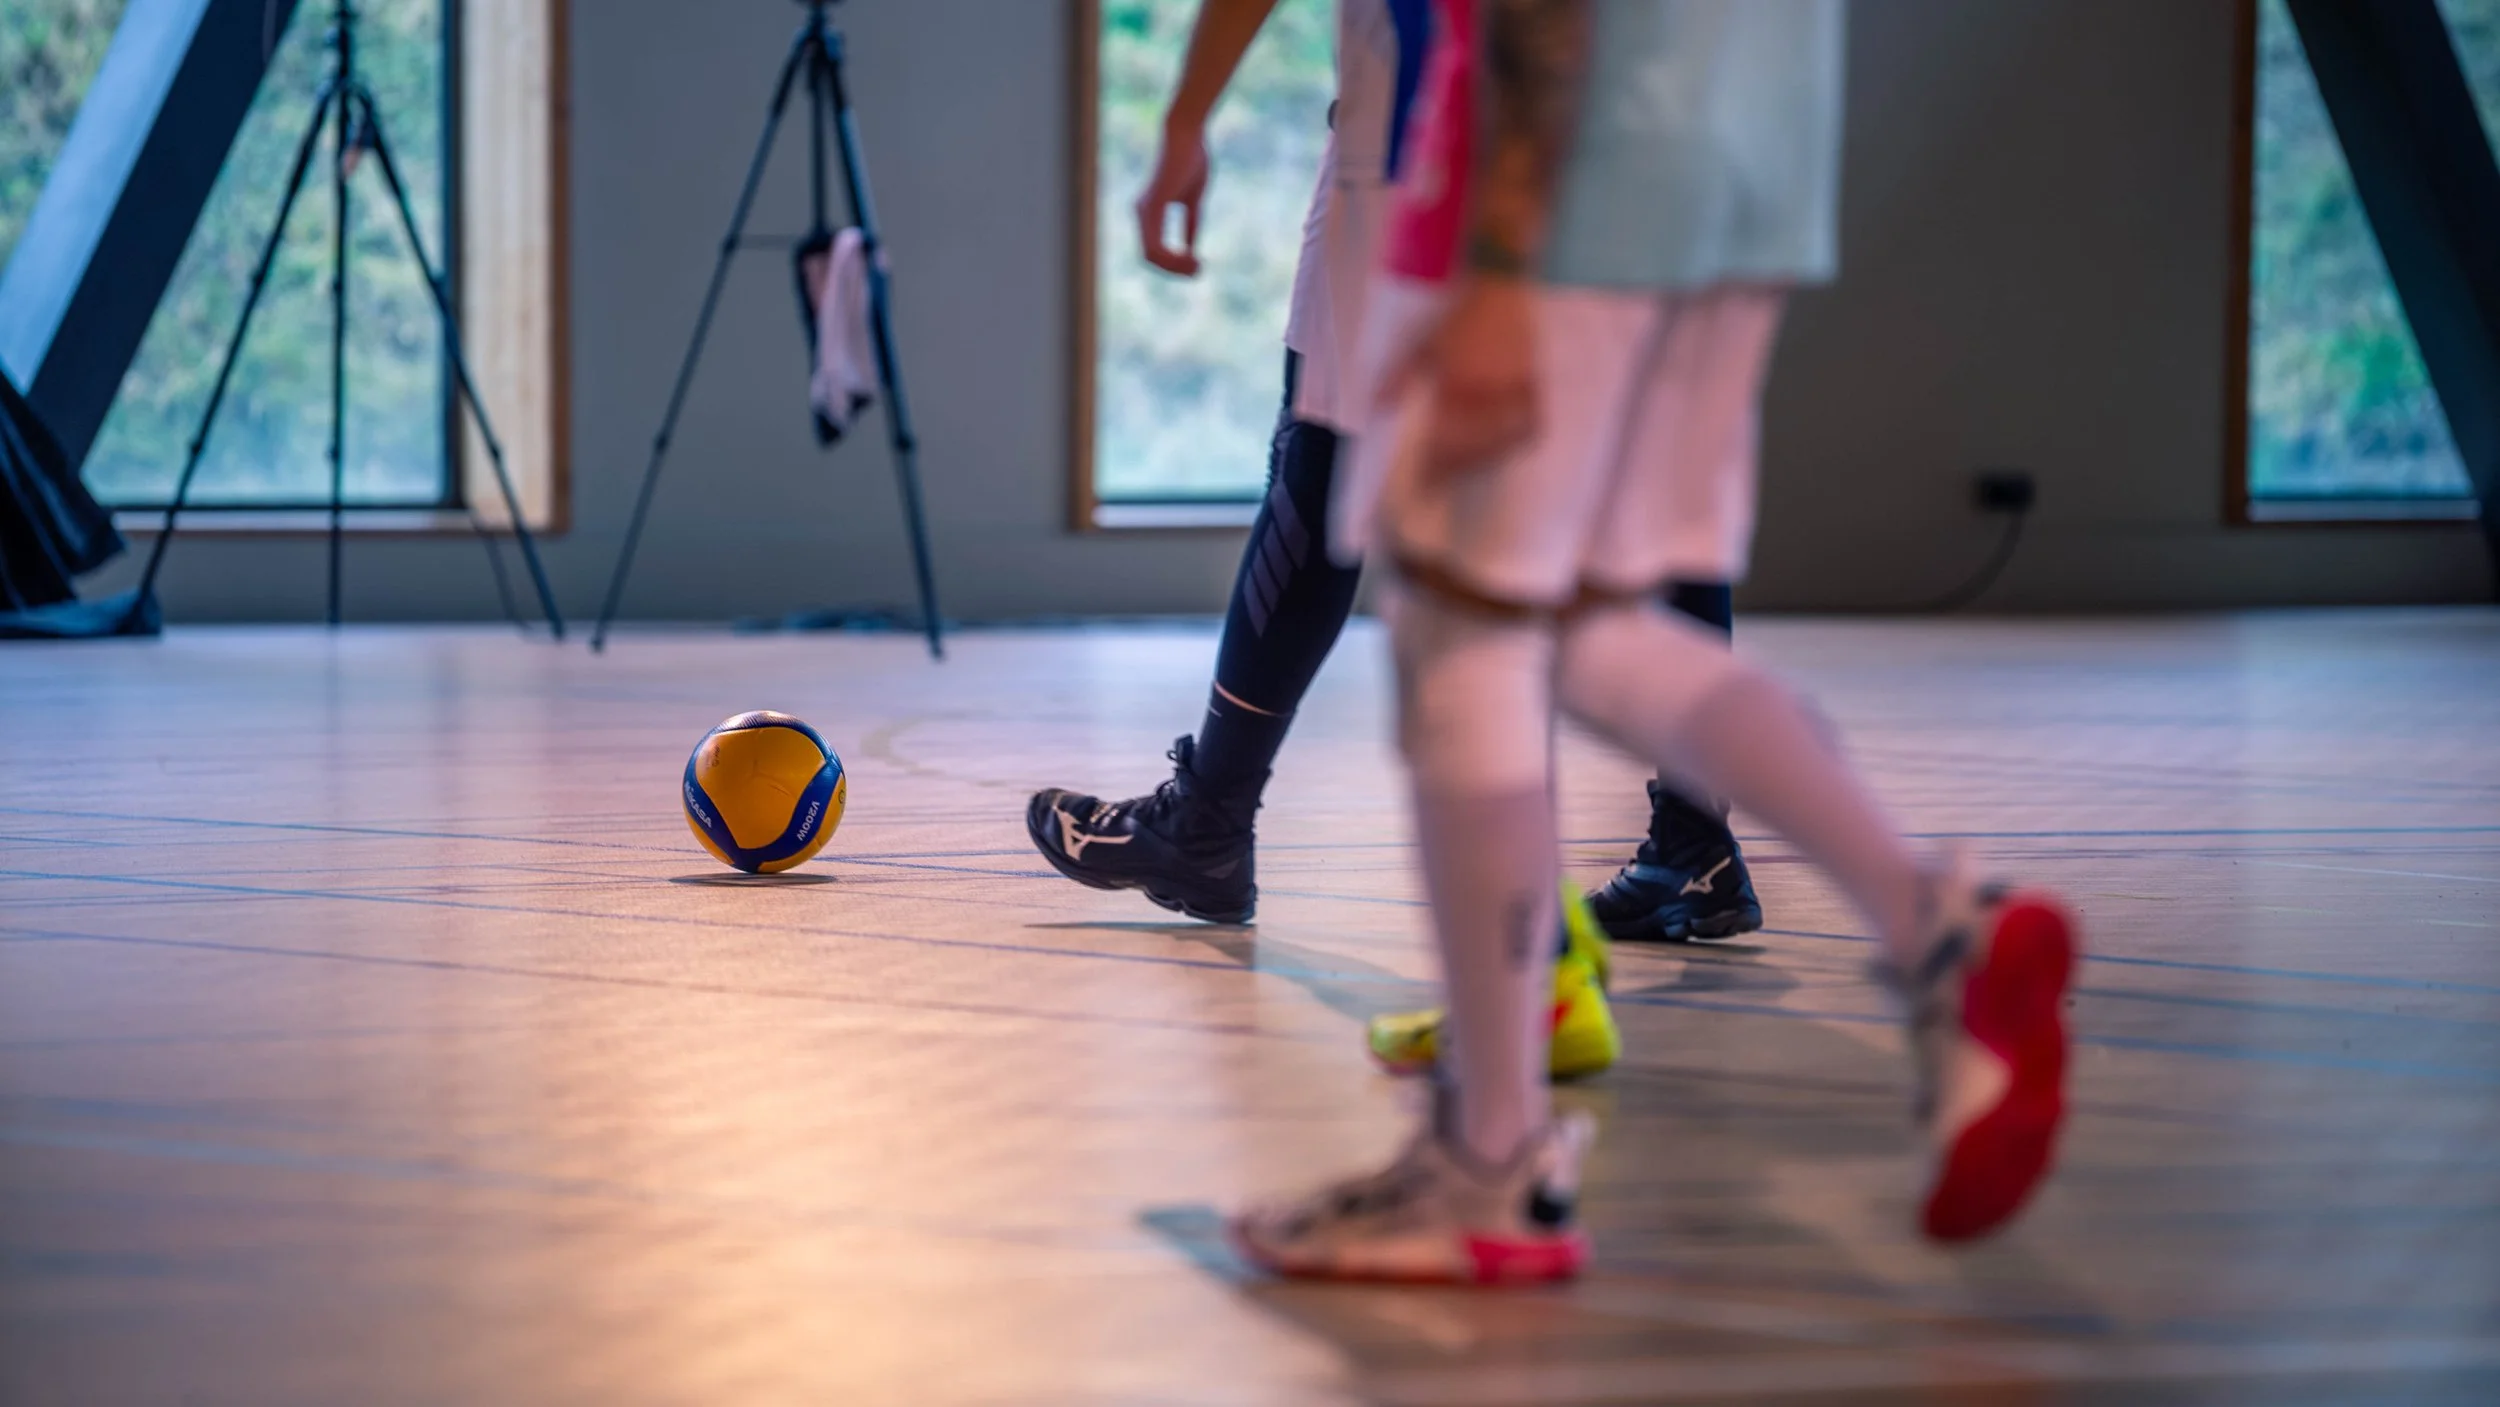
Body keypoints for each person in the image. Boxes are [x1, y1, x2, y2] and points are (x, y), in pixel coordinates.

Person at [1227, 0, 2080, 1284]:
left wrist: (1506, 242)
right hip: (1738, 170)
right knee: (1570, 618)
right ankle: (1930, 925)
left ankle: (1491, 1163)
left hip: (1572, 157)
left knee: (1461, 628)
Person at [1027, 0, 1763, 1076]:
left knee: (1357, 492)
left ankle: (1221, 829)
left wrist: (1186, 118)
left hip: (1442, 138)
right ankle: (1698, 854)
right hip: (1624, 132)